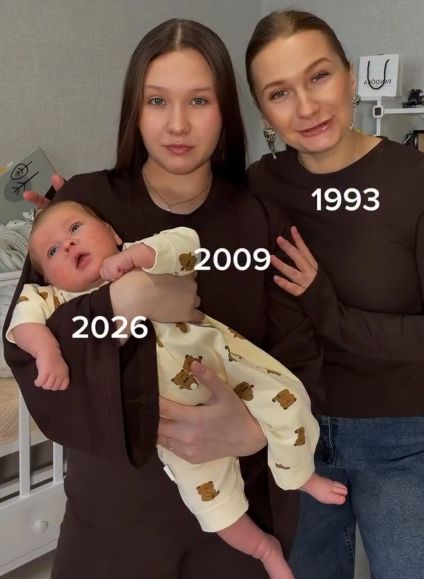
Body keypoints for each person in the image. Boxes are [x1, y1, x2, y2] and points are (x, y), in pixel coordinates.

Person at [3, 18, 325, 579]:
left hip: (234, 526)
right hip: (112, 526)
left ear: (225, 112)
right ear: (135, 109)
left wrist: (249, 432)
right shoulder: (85, 205)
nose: (178, 124)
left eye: (199, 100)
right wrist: (121, 303)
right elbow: (29, 347)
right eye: (157, 101)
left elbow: (301, 364)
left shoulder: (259, 221)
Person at [7, 200, 348, 579]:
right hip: (173, 424)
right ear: (47, 278)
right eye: (53, 251)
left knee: (289, 399)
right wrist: (48, 351)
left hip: (224, 365)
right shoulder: (52, 299)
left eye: (75, 229)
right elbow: (21, 328)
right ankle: (263, 548)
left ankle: (299, 474)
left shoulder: (138, 255)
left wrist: (137, 258)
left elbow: (185, 244)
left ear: (112, 233)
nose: (68, 245)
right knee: (211, 501)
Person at [244, 9, 424, 579]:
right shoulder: (260, 184)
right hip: (289, 433)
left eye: (319, 76)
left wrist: (328, 308)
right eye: (279, 93)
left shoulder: (421, 182)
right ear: (263, 112)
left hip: (394, 431)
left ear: (349, 75)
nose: (306, 107)